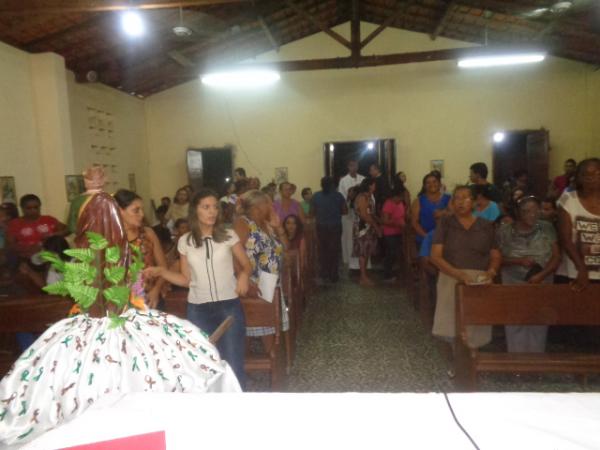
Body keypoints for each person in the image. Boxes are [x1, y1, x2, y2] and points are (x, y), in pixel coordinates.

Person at [145, 189, 251, 387]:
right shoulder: (185, 241)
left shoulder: (229, 236)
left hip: (229, 307)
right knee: (203, 365)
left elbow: (246, 265)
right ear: (195, 211)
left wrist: (244, 276)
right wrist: (162, 272)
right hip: (199, 310)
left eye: (215, 208)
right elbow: (186, 280)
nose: (212, 212)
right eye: (206, 207)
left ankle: (237, 408)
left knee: (234, 364)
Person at [430, 186, 501, 373]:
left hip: (479, 279)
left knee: (475, 325)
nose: (461, 202)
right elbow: (435, 256)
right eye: (457, 198)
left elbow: (495, 255)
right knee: (453, 324)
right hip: (451, 275)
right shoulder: (446, 222)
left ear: (474, 202)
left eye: (465, 197)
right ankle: (458, 363)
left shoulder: (486, 225)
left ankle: (472, 362)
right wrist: (458, 274)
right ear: (452, 202)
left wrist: (491, 272)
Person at [497, 196, 560, 353]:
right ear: (518, 213)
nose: (532, 215)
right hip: (512, 280)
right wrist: (518, 261)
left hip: (541, 279)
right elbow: (497, 259)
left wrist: (542, 275)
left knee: (538, 320)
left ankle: (536, 362)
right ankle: (516, 363)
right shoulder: (505, 231)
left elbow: (556, 256)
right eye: (526, 211)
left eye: (535, 211)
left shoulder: (547, 227)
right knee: (514, 320)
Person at [233, 190, 288, 341]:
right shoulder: (243, 223)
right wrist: (245, 280)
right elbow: (234, 255)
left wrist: (278, 228)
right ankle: (267, 360)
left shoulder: (266, 223)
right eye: (268, 203)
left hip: (271, 280)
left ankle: (274, 358)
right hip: (255, 280)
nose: (272, 206)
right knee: (261, 322)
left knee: (270, 325)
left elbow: (285, 248)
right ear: (256, 206)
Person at [114, 189, 167, 309]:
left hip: (151, 298)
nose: (142, 214)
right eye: (136, 210)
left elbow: (163, 267)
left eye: (142, 209)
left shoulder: (148, 234)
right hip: (122, 302)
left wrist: (156, 291)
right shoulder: (111, 240)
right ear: (120, 211)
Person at [557, 158, 600, 291]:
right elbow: (566, 240)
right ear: (578, 177)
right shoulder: (568, 199)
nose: (591, 178)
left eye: (596, 173)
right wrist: (581, 268)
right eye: (585, 174)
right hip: (574, 273)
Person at [6, 194, 67, 259]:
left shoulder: (49, 219)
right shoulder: (15, 223)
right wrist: (29, 248)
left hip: (51, 256)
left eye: (36, 207)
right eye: (29, 208)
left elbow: (68, 230)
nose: (33, 210)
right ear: (22, 208)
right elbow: (10, 245)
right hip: (27, 258)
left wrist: (53, 235)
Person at [311, 176, 347, 283]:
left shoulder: (316, 196)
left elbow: (311, 213)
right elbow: (345, 211)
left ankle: (324, 273)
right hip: (335, 226)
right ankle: (334, 274)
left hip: (321, 227)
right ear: (333, 185)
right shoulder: (338, 196)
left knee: (322, 250)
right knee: (334, 251)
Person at [353, 178, 381, 286]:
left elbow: (371, 213)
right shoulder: (362, 197)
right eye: (374, 185)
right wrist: (376, 227)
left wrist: (378, 222)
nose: (375, 187)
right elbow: (364, 215)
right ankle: (362, 277)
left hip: (369, 227)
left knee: (367, 251)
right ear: (369, 186)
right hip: (362, 228)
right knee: (363, 252)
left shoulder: (369, 197)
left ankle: (364, 275)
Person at [411, 173, 451, 249]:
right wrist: (427, 237)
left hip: (445, 240)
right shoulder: (418, 201)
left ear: (439, 184)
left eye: (434, 181)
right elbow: (414, 222)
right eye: (428, 182)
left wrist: (444, 212)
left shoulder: (449, 199)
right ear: (424, 186)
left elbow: (456, 215)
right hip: (424, 239)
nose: (431, 184)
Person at [339, 160, 365, 270]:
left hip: (362, 212)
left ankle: (363, 263)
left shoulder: (363, 178)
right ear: (348, 167)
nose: (354, 167)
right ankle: (350, 262)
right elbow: (341, 198)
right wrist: (350, 196)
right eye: (351, 166)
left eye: (355, 165)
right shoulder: (343, 180)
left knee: (362, 237)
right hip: (349, 213)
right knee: (349, 237)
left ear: (358, 166)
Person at [381, 186, 406, 282]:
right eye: (400, 197)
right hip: (390, 233)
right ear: (395, 196)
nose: (401, 199)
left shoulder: (400, 203)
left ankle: (392, 272)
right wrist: (397, 223)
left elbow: (401, 216)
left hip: (399, 232)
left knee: (396, 253)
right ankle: (386, 275)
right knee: (391, 254)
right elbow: (385, 221)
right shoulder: (388, 203)